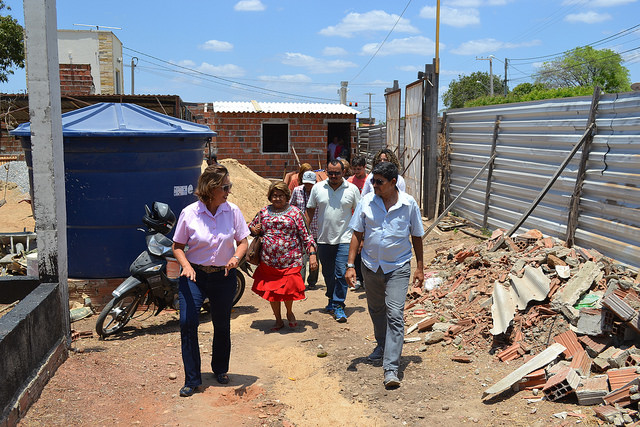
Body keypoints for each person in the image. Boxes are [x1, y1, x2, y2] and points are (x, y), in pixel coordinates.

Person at [172, 164, 250, 397]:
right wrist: (185, 266)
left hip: (224, 277)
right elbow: (177, 246)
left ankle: (220, 369)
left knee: (222, 323)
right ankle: (192, 379)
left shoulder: (233, 211)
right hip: (194, 275)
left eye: (230, 186)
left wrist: (236, 257)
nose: (229, 191)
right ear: (211, 188)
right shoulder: (190, 213)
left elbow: (243, 241)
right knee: (187, 322)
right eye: (225, 187)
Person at [345, 161, 424, 389]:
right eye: (373, 180)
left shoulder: (408, 205)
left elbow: (417, 236)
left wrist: (419, 267)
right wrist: (351, 265)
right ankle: (381, 344)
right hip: (370, 266)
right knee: (377, 309)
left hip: (398, 267)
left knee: (395, 313)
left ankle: (391, 367)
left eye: (379, 182)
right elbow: (357, 234)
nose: (374, 185)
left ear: (392, 182)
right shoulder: (367, 202)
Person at [250, 181, 318, 331]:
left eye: (280, 195)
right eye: (274, 195)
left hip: (291, 260)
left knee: (288, 290)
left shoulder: (295, 213)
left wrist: (312, 254)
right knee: (272, 292)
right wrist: (254, 229)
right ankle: (278, 319)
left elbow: (306, 235)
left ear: (287, 196)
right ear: (270, 197)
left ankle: (289, 312)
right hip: (269, 261)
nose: (277, 198)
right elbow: (251, 228)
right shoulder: (263, 212)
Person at [306, 160, 360, 323]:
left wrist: (361, 239)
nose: (334, 176)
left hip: (345, 239)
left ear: (344, 172)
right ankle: (331, 298)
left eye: (337, 172)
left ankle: (338, 305)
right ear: (326, 172)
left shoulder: (352, 189)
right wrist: (304, 232)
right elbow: (310, 210)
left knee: (341, 273)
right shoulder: (317, 188)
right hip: (323, 239)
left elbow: (359, 214)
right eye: (330, 173)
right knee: (328, 274)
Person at [290, 170, 319, 290]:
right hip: (300, 230)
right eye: (306, 183)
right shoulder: (297, 191)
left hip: (316, 229)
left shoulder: (318, 192)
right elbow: (292, 205)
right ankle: (300, 282)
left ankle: (312, 281)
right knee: (301, 257)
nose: (308, 186)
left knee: (314, 257)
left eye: (310, 184)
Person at [347, 155, 368, 289]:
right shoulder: (349, 181)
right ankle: (358, 277)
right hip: (353, 219)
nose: (356, 172)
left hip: (367, 218)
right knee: (356, 249)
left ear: (365, 167)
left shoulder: (370, 181)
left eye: (359, 169)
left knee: (366, 248)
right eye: (354, 169)